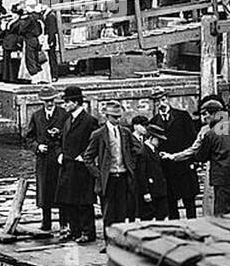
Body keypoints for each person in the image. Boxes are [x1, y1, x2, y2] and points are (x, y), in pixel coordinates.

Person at [162, 98, 230, 216]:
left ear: (214, 114)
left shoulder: (210, 131)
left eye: (205, 114)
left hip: (220, 176)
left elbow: (198, 153)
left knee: (219, 209)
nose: (203, 118)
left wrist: (174, 157)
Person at [82, 100, 141, 248]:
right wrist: (98, 174)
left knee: (121, 212)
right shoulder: (99, 134)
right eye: (114, 117)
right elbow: (88, 157)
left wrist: (130, 164)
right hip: (107, 179)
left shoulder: (125, 132)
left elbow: (138, 149)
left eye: (119, 117)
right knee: (108, 213)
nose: (117, 120)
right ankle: (109, 243)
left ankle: (119, 241)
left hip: (122, 176)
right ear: (107, 116)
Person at [55, 85, 100, 243]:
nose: (65, 105)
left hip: (81, 167)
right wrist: (60, 153)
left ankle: (88, 232)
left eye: (67, 102)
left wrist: (84, 156)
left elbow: (94, 143)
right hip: (68, 165)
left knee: (84, 201)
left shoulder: (89, 121)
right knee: (69, 200)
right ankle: (75, 230)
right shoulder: (68, 120)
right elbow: (61, 140)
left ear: (75, 102)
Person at [150, 91, 200, 219]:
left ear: (167, 99)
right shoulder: (154, 121)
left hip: (184, 166)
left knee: (189, 201)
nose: (160, 103)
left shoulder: (182, 116)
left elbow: (193, 139)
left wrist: (193, 161)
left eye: (162, 99)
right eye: (156, 101)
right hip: (167, 169)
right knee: (171, 203)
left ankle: (193, 227)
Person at [24, 86, 68, 233]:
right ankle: (46, 222)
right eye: (46, 101)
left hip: (58, 157)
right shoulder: (36, 116)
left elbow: (69, 135)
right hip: (43, 159)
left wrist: (59, 134)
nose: (49, 104)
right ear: (42, 102)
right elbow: (29, 137)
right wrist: (37, 147)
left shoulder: (63, 114)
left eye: (51, 101)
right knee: (44, 191)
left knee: (61, 189)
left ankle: (63, 223)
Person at [137, 125, 172, 221]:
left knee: (161, 216)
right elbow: (141, 174)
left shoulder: (154, 151)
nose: (160, 142)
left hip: (158, 190)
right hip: (151, 190)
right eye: (158, 139)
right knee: (147, 217)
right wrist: (145, 192)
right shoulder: (143, 153)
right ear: (151, 138)